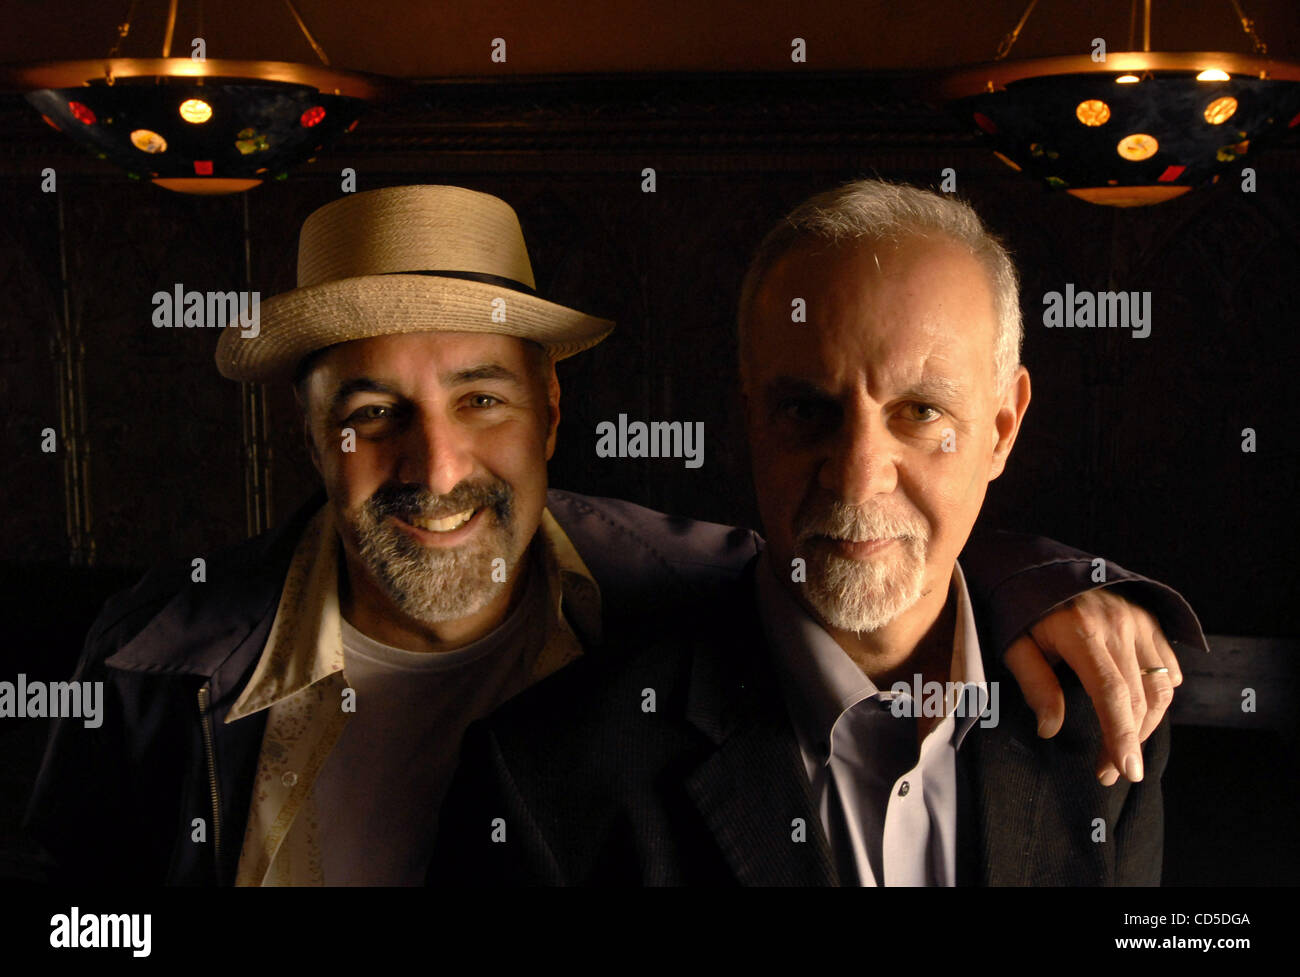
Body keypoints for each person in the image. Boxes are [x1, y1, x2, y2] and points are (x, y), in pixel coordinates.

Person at [25, 184, 1194, 886]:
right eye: (373, 414)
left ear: (550, 411)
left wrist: (1063, 589)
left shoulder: (670, 581)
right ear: (311, 433)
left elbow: (864, 552)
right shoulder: (155, 666)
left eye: (479, 398)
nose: (434, 469)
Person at [428, 179, 1207, 886]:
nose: (857, 476)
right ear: (750, 421)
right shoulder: (547, 777)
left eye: (920, 411)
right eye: (809, 411)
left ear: (1002, 428)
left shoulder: (1106, 729)